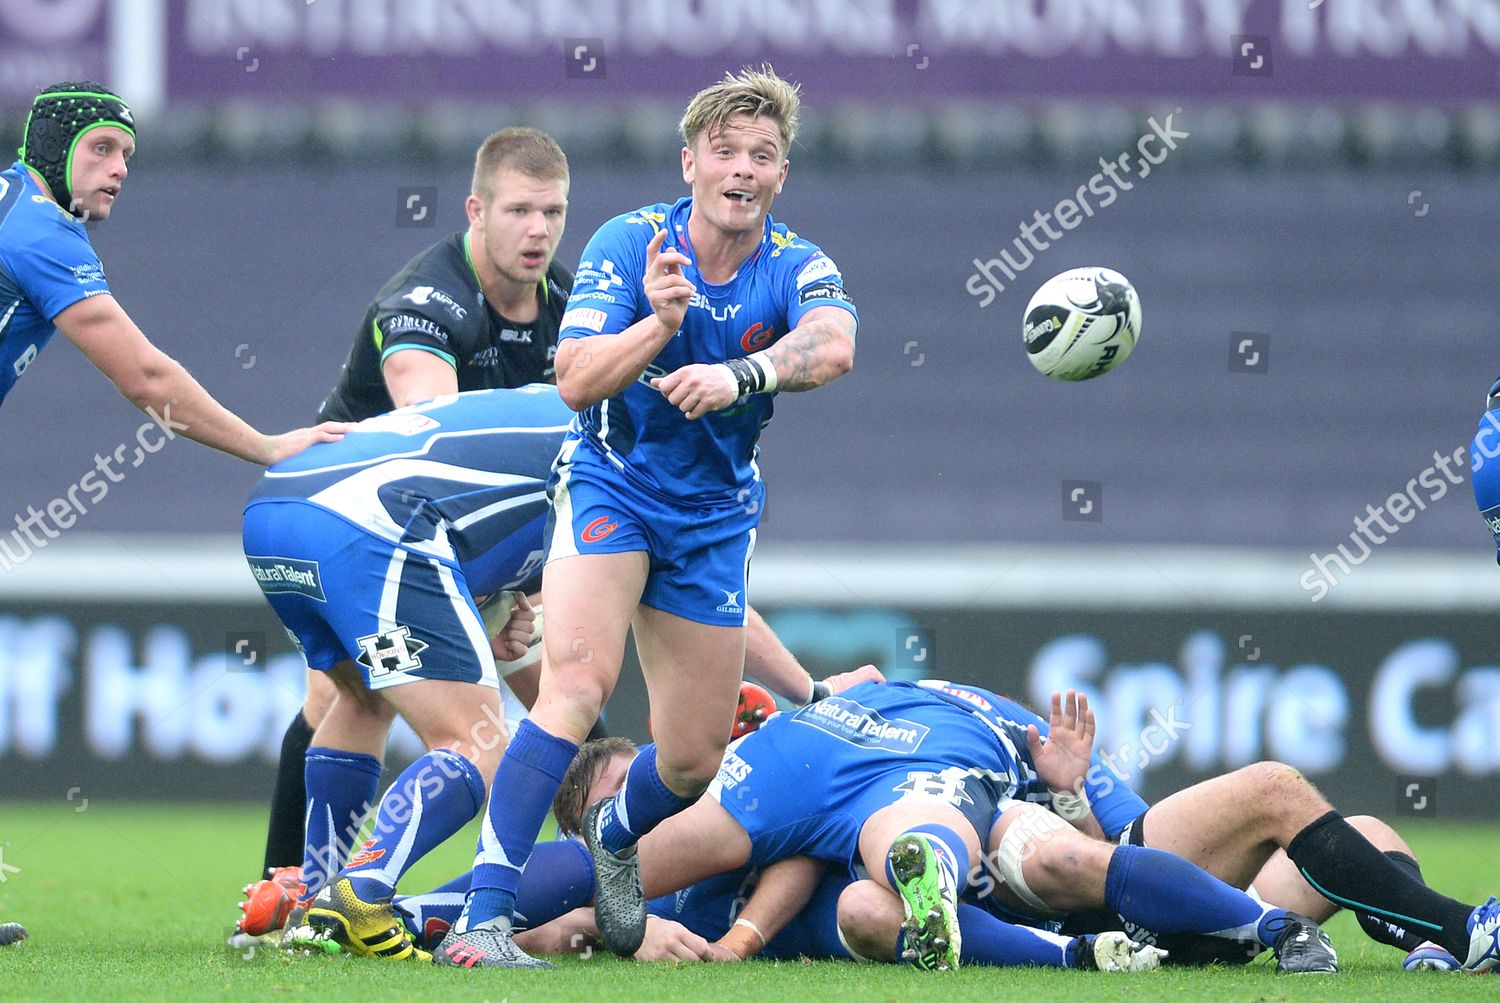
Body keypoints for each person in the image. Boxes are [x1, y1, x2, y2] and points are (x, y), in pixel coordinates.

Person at [432, 65, 859, 969]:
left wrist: (743, 374)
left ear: (781, 176)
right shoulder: (633, 243)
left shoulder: (795, 262)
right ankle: (484, 914)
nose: (743, 168)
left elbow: (835, 345)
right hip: (610, 485)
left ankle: (614, 835)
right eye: (726, 151)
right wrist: (659, 327)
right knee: (575, 687)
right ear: (691, 162)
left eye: (764, 155)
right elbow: (577, 378)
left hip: (713, 519)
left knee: (694, 760)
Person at [252, 127, 575, 889]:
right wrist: (499, 592)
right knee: (348, 695)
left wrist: (521, 588)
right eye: (520, 210)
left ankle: (595, 869)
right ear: (476, 209)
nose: (538, 230)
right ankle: (295, 881)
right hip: (372, 527)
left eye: (553, 211)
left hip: (460, 545)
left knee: (561, 691)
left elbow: (552, 469)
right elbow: (439, 442)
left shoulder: (565, 304)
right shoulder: (425, 302)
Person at [1, 81, 345, 461]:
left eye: (126, 154)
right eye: (102, 148)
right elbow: (145, 378)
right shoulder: (42, 232)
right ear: (53, 146)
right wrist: (266, 446)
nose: (120, 169)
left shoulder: (14, 205)